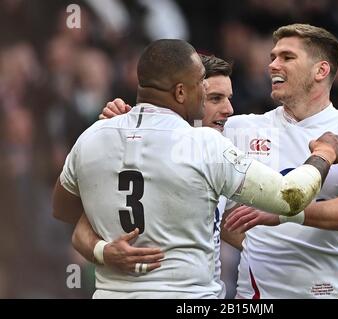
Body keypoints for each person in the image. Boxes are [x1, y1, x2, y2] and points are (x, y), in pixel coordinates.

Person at [52, 38, 338, 298]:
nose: (224, 106)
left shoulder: (93, 136)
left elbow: (66, 211)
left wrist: (102, 250)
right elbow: (291, 196)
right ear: (181, 92)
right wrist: (323, 153)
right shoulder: (205, 146)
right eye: (204, 89)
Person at [220, 23, 338, 299]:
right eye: (272, 57)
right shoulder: (240, 129)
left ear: (321, 70)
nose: (273, 65)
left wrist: (284, 214)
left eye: (287, 57)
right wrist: (127, 119)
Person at [71, 54, 235, 299]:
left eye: (228, 99)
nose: (228, 110)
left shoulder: (229, 143)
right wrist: (103, 251)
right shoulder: (141, 150)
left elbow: (245, 227)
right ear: (187, 96)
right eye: (214, 98)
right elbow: (79, 229)